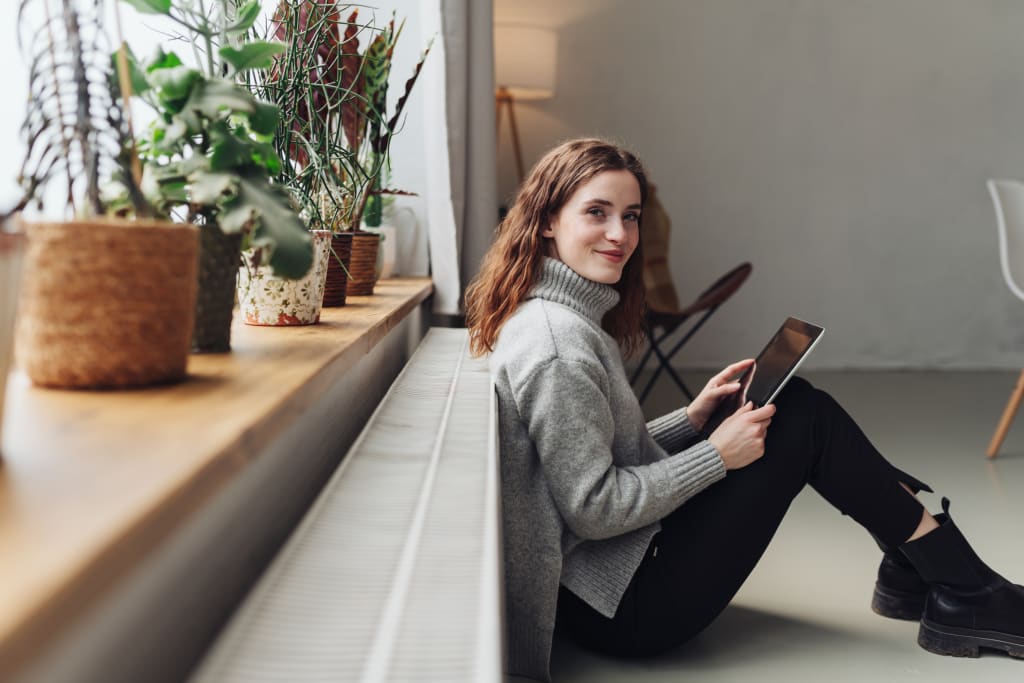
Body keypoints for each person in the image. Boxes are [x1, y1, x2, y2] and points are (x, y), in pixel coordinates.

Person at [464, 138, 1024, 682]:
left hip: (602, 580)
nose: (620, 234)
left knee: (795, 407)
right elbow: (592, 507)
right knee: (802, 419)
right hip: (625, 609)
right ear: (545, 220)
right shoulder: (559, 346)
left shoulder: (562, 317)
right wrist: (714, 457)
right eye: (597, 213)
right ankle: (958, 585)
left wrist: (694, 421)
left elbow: (590, 452)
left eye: (631, 216)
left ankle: (924, 569)